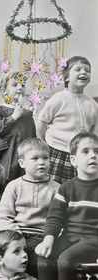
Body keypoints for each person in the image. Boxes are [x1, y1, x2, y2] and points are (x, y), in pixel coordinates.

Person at [35, 132, 98, 280]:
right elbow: (55, 217)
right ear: (73, 160)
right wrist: (48, 239)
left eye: (96, 151)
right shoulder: (66, 188)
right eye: (85, 151)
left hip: (93, 240)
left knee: (66, 259)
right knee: (44, 257)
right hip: (70, 236)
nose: (93, 155)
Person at [0, 138, 60, 277]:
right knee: (2, 257)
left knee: (38, 262)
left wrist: (51, 239)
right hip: (16, 233)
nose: (41, 162)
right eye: (35, 158)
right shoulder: (14, 186)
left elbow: (61, 219)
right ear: (22, 163)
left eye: (45, 158)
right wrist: (16, 235)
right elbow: (3, 215)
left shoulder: (56, 189)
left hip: (44, 237)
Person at [37, 56, 98, 184]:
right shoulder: (58, 99)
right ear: (67, 77)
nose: (83, 72)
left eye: (87, 70)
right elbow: (42, 122)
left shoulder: (92, 104)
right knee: (52, 188)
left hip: (79, 155)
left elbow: (91, 128)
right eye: (78, 69)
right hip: (56, 152)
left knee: (75, 188)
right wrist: (43, 144)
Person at [0, 71, 36, 182]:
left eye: (22, 85)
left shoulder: (27, 114)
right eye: (15, 85)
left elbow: (33, 137)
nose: (20, 88)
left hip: (23, 160)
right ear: (4, 91)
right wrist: (14, 116)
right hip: (3, 158)